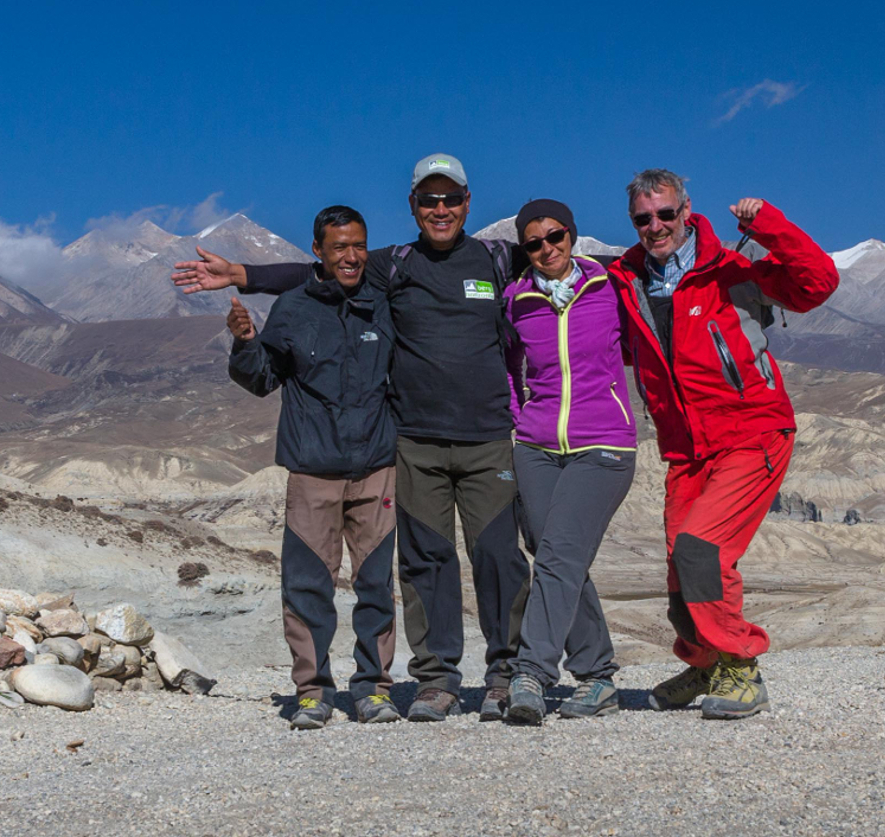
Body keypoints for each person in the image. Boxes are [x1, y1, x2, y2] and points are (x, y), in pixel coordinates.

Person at [179, 153, 529, 722]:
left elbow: (571, 262)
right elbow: (300, 310)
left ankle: (454, 679)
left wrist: (655, 257)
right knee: (371, 573)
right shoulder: (353, 285)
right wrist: (245, 304)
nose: (440, 209)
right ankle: (368, 685)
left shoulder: (475, 264)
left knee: (451, 568)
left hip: (431, 449)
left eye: (450, 199)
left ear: (468, 202)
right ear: (412, 206)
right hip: (363, 456)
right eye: (428, 200)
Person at [608, 169, 838, 719]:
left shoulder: (732, 270)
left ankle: (740, 666)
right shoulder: (628, 283)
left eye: (666, 213)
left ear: (687, 210)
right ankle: (705, 664)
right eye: (644, 218)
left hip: (751, 431)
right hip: (685, 449)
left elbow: (816, 284)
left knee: (703, 551)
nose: (656, 226)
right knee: (677, 566)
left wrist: (768, 226)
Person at [227, 205, 400, 729]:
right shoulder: (293, 308)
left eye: (359, 245)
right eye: (339, 247)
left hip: (376, 466)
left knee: (375, 583)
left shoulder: (383, 304)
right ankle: (312, 690)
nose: (351, 257)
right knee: (307, 585)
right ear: (317, 253)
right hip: (311, 469)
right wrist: (244, 342)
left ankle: (373, 688)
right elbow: (262, 379)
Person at [497, 199, 637, 726]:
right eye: (533, 243)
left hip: (603, 444)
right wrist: (522, 416)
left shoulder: (611, 285)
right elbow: (512, 366)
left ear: (572, 235)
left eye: (555, 236)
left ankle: (531, 672)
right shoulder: (518, 299)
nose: (547, 249)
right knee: (551, 552)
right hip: (536, 446)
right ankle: (598, 677)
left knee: (558, 554)